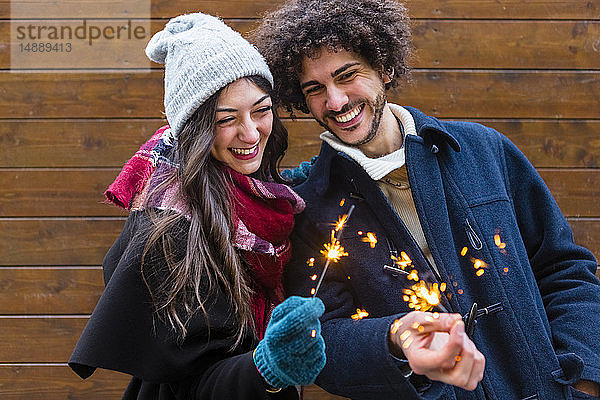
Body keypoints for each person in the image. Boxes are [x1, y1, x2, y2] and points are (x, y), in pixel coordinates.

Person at [251, 0, 600, 399]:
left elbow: (564, 270)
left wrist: (585, 380)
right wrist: (394, 338)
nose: (335, 102)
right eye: (315, 89)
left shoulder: (485, 151)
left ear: (384, 67)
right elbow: (325, 340)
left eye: (347, 76)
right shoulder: (310, 208)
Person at [69, 13, 326, 399]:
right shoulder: (173, 231)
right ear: (195, 130)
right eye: (227, 120)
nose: (251, 132)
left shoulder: (256, 191)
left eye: (261, 110)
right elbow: (195, 383)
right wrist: (267, 370)